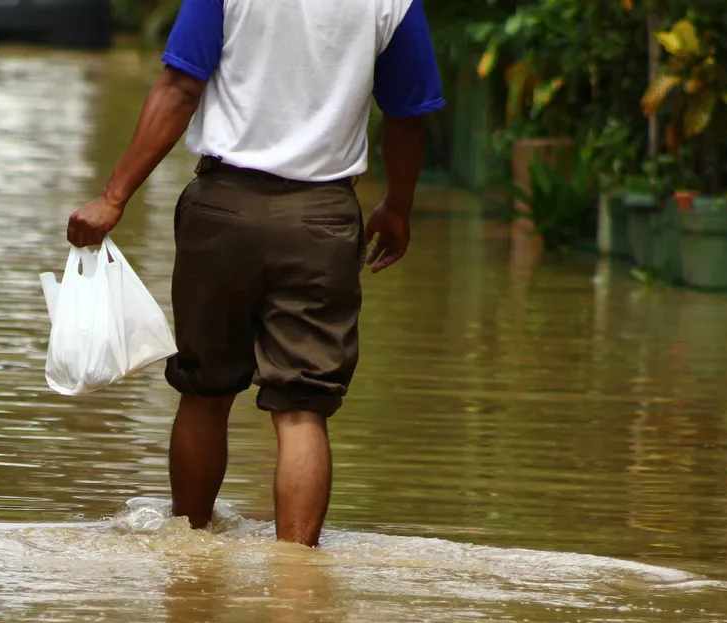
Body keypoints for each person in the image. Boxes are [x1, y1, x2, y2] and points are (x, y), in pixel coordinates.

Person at [66, 0, 444, 547]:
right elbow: (409, 117)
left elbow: (179, 88)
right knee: (301, 408)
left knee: (204, 391)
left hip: (222, 210)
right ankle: (297, 581)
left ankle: (188, 559)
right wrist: (398, 208)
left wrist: (113, 197)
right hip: (323, 220)